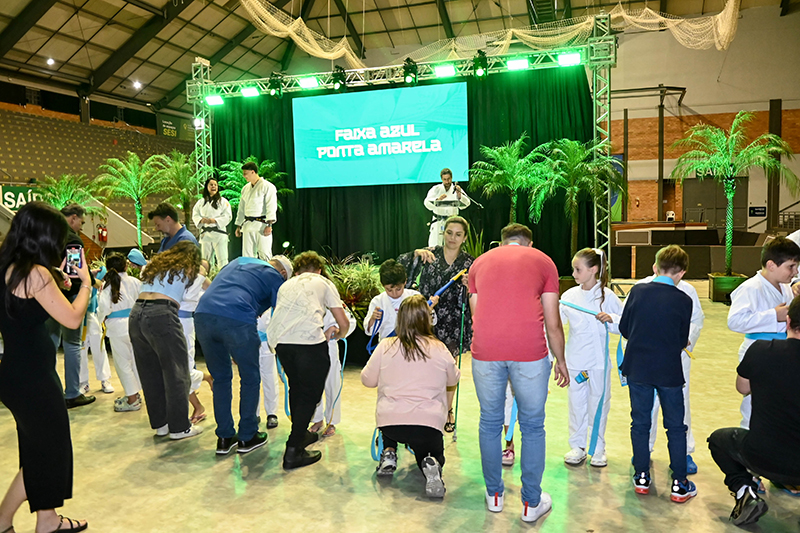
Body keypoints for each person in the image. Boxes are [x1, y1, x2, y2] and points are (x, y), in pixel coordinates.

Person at [468, 223, 568, 523]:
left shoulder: (478, 264)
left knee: (489, 422)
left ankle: (494, 496)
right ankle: (531, 504)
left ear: (502, 242)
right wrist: (561, 360)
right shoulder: (543, 261)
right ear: (529, 243)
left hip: (485, 351)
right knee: (533, 426)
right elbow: (552, 321)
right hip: (529, 352)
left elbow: (476, 314)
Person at [0, 201, 90, 533]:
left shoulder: (10, 268)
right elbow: (73, 318)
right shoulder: (35, 274)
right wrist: (86, 283)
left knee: (37, 453)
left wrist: (56, 280)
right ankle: (24, 521)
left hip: (16, 373)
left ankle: (43, 519)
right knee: (50, 452)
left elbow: (23, 307)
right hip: (34, 379)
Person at [708, 296, 800, 526]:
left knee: (719, 440)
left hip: (762, 457)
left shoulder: (761, 350)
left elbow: (743, 387)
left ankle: (744, 491)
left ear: (788, 321)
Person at [361, 295, 460, 499]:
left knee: (391, 406)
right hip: (428, 423)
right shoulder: (439, 347)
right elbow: (453, 378)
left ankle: (389, 452)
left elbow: (367, 380)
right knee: (430, 450)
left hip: (391, 423)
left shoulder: (385, 346)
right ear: (427, 318)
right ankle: (431, 463)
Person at [619, 245, 695, 503]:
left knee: (640, 422)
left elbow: (625, 328)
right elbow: (682, 339)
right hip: (669, 371)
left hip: (638, 367)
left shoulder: (637, 291)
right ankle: (679, 483)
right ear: (682, 273)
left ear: (655, 267)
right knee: (676, 426)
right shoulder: (684, 299)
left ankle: (641, 476)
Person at [195, 255, 292, 455]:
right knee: (250, 377)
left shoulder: (238, 261)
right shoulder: (275, 277)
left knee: (221, 378)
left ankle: (224, 438)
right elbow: (281, 314)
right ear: (283, 273)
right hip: (237, 318)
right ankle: (248, 436)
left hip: (203, 316)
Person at [267, 251, 350, 470]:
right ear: (319, 270)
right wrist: (339, 334)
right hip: (308, 343)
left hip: (281, 342)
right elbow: (343, 322)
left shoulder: (286, 285)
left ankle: (301, 434)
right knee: (310, 395)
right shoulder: (323, 282)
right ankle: (293, 449)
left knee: (296, 388)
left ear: (296, 271)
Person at [397, 216, 473, 432]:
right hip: (426, 319)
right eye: (449, 232)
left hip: (454, 322)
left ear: (464, 238)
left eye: (458, 234)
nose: (452, 238)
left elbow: (481, 292)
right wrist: (415, 254)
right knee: (422, 365)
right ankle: (423, 408)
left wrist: (472, 285)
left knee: (449, 368)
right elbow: (399, 266)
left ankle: (447, 409)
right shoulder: (429, 254)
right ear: (443, 233)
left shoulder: (470, 263)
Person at [129, 241, 203, 440]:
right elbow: (203, 288)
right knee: (177, 372)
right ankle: (180, 428)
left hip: (136, 314)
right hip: (162, 313)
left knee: (150, 373)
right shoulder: (187, 267)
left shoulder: (154, 266)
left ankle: (161, 425)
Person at [636, 260, 705, 475]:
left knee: (680, 407)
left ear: (682, 273)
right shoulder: (641, 288)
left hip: (677, 357)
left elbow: (696, 320)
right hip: (647, 358)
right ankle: (644, 451)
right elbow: (630, 320)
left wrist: (686, 339)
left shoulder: (688, 291)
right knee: (646, 409)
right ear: (654, 268)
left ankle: (685, 453)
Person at [727, 236, 799, 429]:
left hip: (783, 350)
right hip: (757, 350)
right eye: (791, 267)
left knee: (777, 402)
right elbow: (734, 321)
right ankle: (749, 436)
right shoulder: (750, 288)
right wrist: (773, 315)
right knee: (754, 403)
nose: (795, 272)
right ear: (771, 265)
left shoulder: (786, 288)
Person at [560, 248, 622, 468]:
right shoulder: (568, 297)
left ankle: (598, 448)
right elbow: (555, 326)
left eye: (578, 269)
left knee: (599, 405)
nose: (574, 274)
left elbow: (625, 324)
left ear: (594, 269)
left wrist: (611, 318)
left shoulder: (608, 296)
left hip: (599, 364)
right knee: (576, 405)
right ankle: (577, 446)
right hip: (575, 362)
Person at [46, 203, 95, 409]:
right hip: (70, 295)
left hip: (49, 295)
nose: (81, 227)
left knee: (50, 342)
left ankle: (47, 389)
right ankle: (73, 393)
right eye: (81, 222)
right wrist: (90, 281)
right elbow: (75, 271)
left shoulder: (48, 233)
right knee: (72, 344)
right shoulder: (72, 239)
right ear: (73, 218)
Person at [97, 253, 143, 412]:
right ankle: (136, 393)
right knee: (136, 361)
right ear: (126, 266)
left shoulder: (108, 286)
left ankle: (132, 399)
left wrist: (101, 319)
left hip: (117, 328)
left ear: (108, 268)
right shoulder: (135, 282)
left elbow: (103, 308)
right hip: (136, 324)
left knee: (123, 364)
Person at [309, 306, 356, 437]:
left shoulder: (334, 300)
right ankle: (317, 419)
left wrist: (337, 329)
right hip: (308, 346)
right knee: (313, 385)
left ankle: (331, 421)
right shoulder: (306, 299)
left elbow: (350, 321)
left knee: (332, 385)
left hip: (329, 345)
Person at [364, 259, 434, 342]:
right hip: (388, 345)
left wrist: (429, 309)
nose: (394, 293)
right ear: (382, 285)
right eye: (389, 290)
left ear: (405, 282)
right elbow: (369, 332)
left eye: (398, 289)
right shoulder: (377, 301)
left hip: (413, 343)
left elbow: (430, 323)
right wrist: (373, 319)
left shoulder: (415, 297)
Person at [178, 260, 213, 424]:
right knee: (177, 369)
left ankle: (207, 379)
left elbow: (213, 291)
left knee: (182, 369)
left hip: (185, 324)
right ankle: (198, 405)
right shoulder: (176, 275)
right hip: (171, 321)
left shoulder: (200, 280)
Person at [78, 265, 114, 396]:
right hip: (80, 319)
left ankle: (105, 380)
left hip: (94, 318)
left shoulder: (100, 285)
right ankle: (83, 382)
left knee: (99, 349)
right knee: (81, 352)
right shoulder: (81, 282)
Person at [235, 162, 277, 260]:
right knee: (247, 255)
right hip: (247, 225)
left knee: (264, 253)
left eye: (245, 173)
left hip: (262, 225)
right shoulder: (245, 188)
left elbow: (271, 205)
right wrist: (238, 225)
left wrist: (269, 225)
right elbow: (241, 208)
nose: (244, 176)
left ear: (253, 172)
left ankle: (266, 270)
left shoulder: (267, 186)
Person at [423, 168, 470, 247]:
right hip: (438, 221)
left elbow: (467, 203)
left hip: (452, 222)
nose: (447, 181)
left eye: (448, 179)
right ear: (441, 179)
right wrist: (437, 200)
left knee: (451, 246)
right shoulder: (436, 189)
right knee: (434, 246)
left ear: (451, 178)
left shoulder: (456, 189)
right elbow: (426, 203)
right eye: (445, 179)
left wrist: (459, 196)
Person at [192, 177, 232, 269]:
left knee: (222, 259)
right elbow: (195, 214)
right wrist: (201, 220)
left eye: (215, 185)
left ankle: (223, 275)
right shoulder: (201, 202)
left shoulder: (223, 201)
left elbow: (228, 216)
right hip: (206, 234)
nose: (213, 186)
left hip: (219, 233)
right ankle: (207, 276)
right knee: (205, 260)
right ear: (207, 187)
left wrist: (214, 221)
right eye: (211, 185)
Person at [257, 311, 281, 430]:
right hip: (248, 344)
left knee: (270, 379)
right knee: (251, 381)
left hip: (268, 346)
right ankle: (253, 413)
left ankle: (272, 413)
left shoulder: (271, 306)